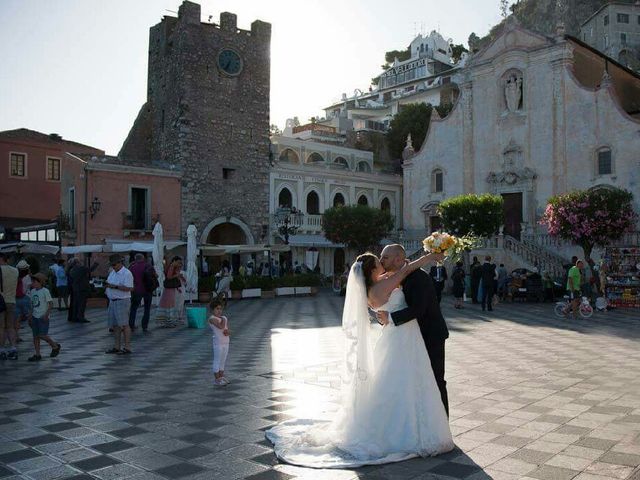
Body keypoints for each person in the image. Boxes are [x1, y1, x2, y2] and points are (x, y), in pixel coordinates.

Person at [266, 248, 453, 468]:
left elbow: (410, 285)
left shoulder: (379, 283)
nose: (382, 261)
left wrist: (412, 266)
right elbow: (406, 274)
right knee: (402, 383)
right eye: (379, 260)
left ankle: (431, 425)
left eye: (384, 257)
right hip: (401, 337)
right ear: (373, 269)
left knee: (415, 382)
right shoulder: (386, 282)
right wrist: (429, 257)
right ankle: (415, 429)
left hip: (408, 336)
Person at [27, 273, 61, 362]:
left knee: (42, 335)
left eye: (34, 281)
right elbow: (32, 305)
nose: (32, 283)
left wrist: (46, 314)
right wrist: (30, 315)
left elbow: (50, 303)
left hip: (42, 317)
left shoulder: (45, 291)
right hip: (34, 316)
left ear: (40, 282)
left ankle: (55, 345)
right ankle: (37, 354)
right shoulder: (32, 291)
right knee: (35, 336)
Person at [105, 255, 134, 354]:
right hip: (112, 301)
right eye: (111, 265)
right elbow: (109, 283)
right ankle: (117, 346)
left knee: (124, 324)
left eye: (114, 264)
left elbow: (130, 288)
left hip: (122, 300)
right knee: (115, 325)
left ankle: (127, 347)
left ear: (120, 263)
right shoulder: (113, 272)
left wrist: (115, 287)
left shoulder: (127, 273)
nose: (113, 267)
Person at [128, 254, 156, 332]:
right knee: (147, 309)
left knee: (133, 308)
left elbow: (129, 278)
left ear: (135, 259)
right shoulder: (149, 266)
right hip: (148, 290)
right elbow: (155, 276)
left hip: (136, 290)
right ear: (143, 258)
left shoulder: (132, 267)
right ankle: (145, 326)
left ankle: (131, 325)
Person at [0, 253, 19, 360]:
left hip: (0, 302)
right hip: (11, 300)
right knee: (10, 326)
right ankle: (13, 348)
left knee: (1, 327)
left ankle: (1, 349)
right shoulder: (15, 270)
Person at [208, 297, 231, 386]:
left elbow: (225, 329)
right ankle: (217, 379)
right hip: (218, 343)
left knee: (223, 361)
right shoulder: (212, 319)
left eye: (221, 309)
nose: (219, 311)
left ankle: (221, 377)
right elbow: (220, 326)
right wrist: (224, 319)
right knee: (217, 361)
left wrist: (228, 332)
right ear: (212, 309)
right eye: (217, 309)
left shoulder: (223, 317)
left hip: (226, 342)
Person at [156, 256, 183, 328]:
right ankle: (169, 321)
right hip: (169, 289)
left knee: (169, 304)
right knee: (169, 304)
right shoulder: (171, 267)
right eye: (178, 262)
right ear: (174, 261)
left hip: (170, 288)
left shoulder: (172, 267)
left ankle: (168, 321)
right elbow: (169, 277)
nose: (179, 264)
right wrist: (177, 275)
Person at [68, 258, 94, 323]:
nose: (81, 262)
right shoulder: (80, 268)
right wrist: (96, 262)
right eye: (80, 261)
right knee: (82, 304)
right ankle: (80, 317)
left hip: (75, 289)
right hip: (82, 289)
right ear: (77, 262)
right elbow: (90, 269)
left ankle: (75, 317)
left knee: (76, 304)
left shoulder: (71, 270)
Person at [15, 260, 32, 343]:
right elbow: (30, 285)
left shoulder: (15, 276)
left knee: (17, 319)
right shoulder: (27, 277)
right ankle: (35, 333)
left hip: (15, 299)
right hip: (26, 298)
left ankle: (16, 336)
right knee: (30, 316)